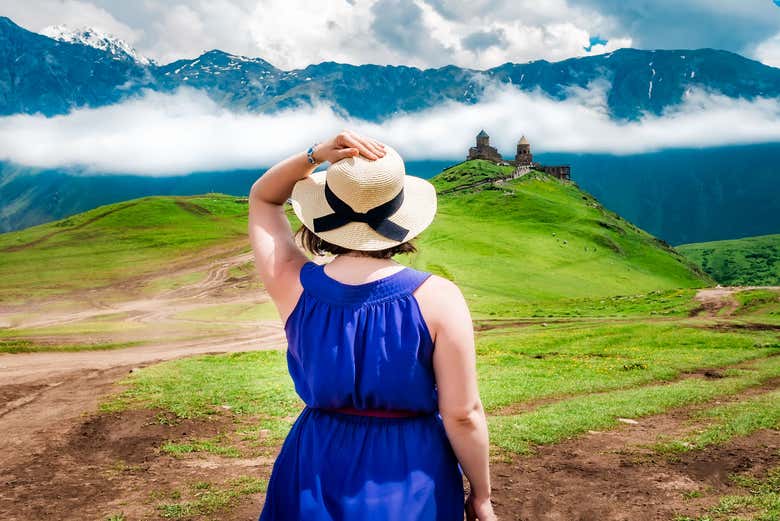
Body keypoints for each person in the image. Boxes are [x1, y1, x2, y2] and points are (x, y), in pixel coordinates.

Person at [248, 129, 496, 521]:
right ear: (401, 218)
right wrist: (480, 495)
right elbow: (462, 414)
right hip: (412, 468)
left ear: (322, 219)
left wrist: (314, 155)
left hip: (314, 460)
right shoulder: (439, 298)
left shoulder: (292, 283)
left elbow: (263, 197)